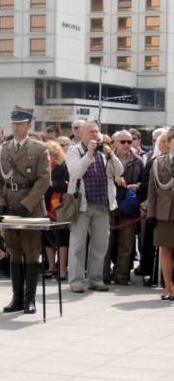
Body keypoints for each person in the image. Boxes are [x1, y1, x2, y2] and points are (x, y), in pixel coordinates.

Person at [0, 107, 50, 314]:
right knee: (14, 251)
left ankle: (30, 299)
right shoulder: (3, 149)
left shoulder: (39, 149)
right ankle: (17, 298)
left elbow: (44, 180)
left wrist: (26, 204)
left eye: (20, 123)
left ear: (29, 125)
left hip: (31, 207)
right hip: (9, 204)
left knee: (32, 252)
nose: (16, 127)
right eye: (14, 123)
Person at [66, 120, 123, 293]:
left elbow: (119, 171)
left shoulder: (104, 152)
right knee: (78, 245)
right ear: (81, 134)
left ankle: (95, 279)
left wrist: (111, 155)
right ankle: (76, 280)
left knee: (100, 245)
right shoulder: (74, 151)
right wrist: (89, 155)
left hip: (102, 204)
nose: (95, 134)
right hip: (82, 205)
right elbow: (76, 172)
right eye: (91, 131)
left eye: (97, 131)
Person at [105, 130, 143, 285]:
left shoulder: (138, 161)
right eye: (123, 142)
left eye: (129, 141)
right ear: (115, 143)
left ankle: (121, 276)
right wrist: (112, 177)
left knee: (126, 245)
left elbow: (144, 182)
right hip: (109, 204)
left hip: (129, 206)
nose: (127, 144)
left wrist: (137, 186)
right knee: (106, 244)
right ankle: (103, 276)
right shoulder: (105, 158)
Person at [147, 128, 174, 299]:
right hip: (164, 213)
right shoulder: (158, 163)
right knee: (165, 250)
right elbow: (152, 190)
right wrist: (151, 214)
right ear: (169, 143)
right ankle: (167, 286)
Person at [43, 141, 70, 280]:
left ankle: (62, 269)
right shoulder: (42, 166)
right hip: (44, 205)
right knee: (47, 237)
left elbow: (66, 185)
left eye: (49, 153)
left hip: (59, 205)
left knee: (62, 238)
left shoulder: (63, 165)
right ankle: (51, 267)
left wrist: (51, 184)